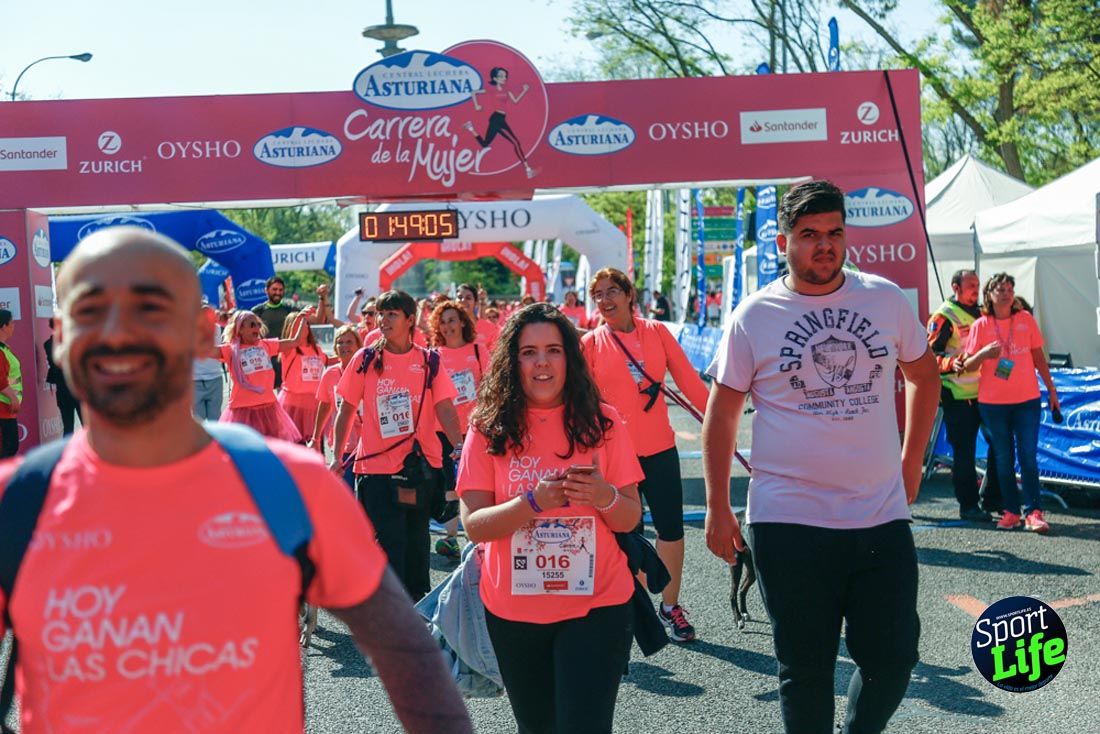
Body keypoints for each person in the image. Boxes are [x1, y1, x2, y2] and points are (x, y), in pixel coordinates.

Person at [0, 227, 471, 733]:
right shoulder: (17, 500)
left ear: (203, 334)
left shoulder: (294, 487)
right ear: (62, 337)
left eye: (151, 309)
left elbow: (410, 659)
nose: (121, 332)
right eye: (92, 311)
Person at [702, 180, 940, 734]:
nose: (825, 246)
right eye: (809, 235)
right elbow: (722, 415)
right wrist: (718, 505)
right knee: (804, 671)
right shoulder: (754, 315)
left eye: (834, 233)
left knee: (894, 658)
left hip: (879, 515)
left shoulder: (883, 299)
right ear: (784, 239)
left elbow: (924, 377)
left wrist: (910, 465)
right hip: (788, 522)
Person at [456, 303, 644, 734]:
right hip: (514, 612)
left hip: (596, 606)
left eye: (554, 350)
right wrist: (532, 503)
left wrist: (603, 495)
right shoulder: (489, 427)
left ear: (570, 358)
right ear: (512, 359)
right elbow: (474, 525)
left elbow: (630, 518)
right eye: (529, 352)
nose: (542, 362)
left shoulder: (603, 422)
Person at [582, 268, 709, 643]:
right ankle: (635, 608)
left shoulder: (656, 332)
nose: (605, 301)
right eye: (598, 295)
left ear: (628, 294)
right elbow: (581, 402)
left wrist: (721, 421)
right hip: (616, 457)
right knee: (628, 534)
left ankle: (671, 607)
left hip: (660, 448)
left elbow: (689, 381)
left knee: (670, 529)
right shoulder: (589, 344)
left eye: (612, 292)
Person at [331, 290, 463, 601]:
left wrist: (460, 446)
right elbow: (346, 409)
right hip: (375, 469)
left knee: (417, 544)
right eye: (380, 313)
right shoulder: (365, 359)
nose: (383, 320)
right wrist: (337, 456)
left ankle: (418, 611)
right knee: (389, 544)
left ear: (409, 319)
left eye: (391, 314)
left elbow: (445, 406)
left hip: (420, 468)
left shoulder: (428, 360)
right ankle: (391, 615)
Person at [962, 273, 1060, 533]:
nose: (1005, 293)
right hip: (993, 404)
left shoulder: (1025, 320)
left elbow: (1039, 357)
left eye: (1009, 289)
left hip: (1027, 400)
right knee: (1004, 459)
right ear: (989, 295)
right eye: (999, 289)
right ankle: (1011, 512)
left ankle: (1034, 512)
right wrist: (983, 354)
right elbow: (967, 365)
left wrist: (1051, 389)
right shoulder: (980, 325)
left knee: (1028, 457)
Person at [927, 269, 1002, 521]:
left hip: (988, 393)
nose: (975, 289)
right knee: (965, 452)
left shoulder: (983, 313)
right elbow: (929, 358)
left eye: (977, 284)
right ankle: (968, 505)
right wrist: (952, 364)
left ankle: (994, 498)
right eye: (970, 285)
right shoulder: (944, 316)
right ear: (956, 287)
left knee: (999, 443)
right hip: (958, 395)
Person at [429, 300, 489, 558]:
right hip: (443, 429)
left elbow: (490, 383)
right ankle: (452, 538)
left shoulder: (477, 349)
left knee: (477, 481)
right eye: (442, 322)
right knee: (450, 482)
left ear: (463, 321)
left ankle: (479, 536)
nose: (447, 326)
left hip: (476, 427)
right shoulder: (434, 355)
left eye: (452, 320)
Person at [218, 308, 313, 441]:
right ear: (239, 329)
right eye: (252, 325)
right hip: (242, 411)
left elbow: (295, 341)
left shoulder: (266, 345)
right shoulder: (230, 350)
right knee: (247, 453)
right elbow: (203, 351)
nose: (257, 327)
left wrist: (302, 319)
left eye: (258, 324)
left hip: (268, 409)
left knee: (270, 450)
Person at [309, 324, 363, 489]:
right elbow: (324, 405)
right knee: (347, 492)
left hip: (368, 444)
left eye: (349, 342)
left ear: (358, 347)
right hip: (344, 444)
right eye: (340, 342)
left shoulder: (368, 370)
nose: (344, 346)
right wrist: (315, 438)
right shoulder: (330, 374)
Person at [464, 66, 536, 179]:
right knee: (515, 142)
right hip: (496, 119)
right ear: (495, 78)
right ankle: (528, 169)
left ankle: (470, 128)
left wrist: (524, 91)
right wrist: (476, 106)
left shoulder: (506, 90)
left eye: (505, 76)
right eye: (501, 76)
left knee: (485, 144)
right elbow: (474, 92)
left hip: (501, 118)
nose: (504, 78)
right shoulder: (490, 89)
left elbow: (515, 101)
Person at [277, 314, 332, 443]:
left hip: (314, 405)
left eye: (305, 323)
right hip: (292, 405)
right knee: (294, 446)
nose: (303, 327)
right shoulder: (289, 350)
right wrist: (301, 315)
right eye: (299, 324)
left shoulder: (316, 349)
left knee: (316, 445)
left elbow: (329, 360)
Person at [43, 318, 83, 434]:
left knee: (85, 427)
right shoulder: (50, 344)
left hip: (76, 389)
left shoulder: (74, 342)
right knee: (68, 426)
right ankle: (68, 451)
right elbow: (59, 363)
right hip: (65, 390)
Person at [192, 305, 225, 421]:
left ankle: (214, 440)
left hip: (215, 379)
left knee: (215, 419)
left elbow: (227, 350)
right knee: (198, 420)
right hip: (195, 381)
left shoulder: (219, 329)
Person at [0, 310, 21, 458]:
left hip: (7, 408)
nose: (14, 325)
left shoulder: (4, 349)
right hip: (3, 406)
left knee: (10, 448)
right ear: (3, 326)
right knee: (8, 448)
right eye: (11, 322)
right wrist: (13, 398)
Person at [457, 283, 499, 351]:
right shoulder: (449, 327)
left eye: (468, 298)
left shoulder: (489, 328)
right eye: (459, 297)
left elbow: (494, 356)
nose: (463, 301)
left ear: (476, 303)